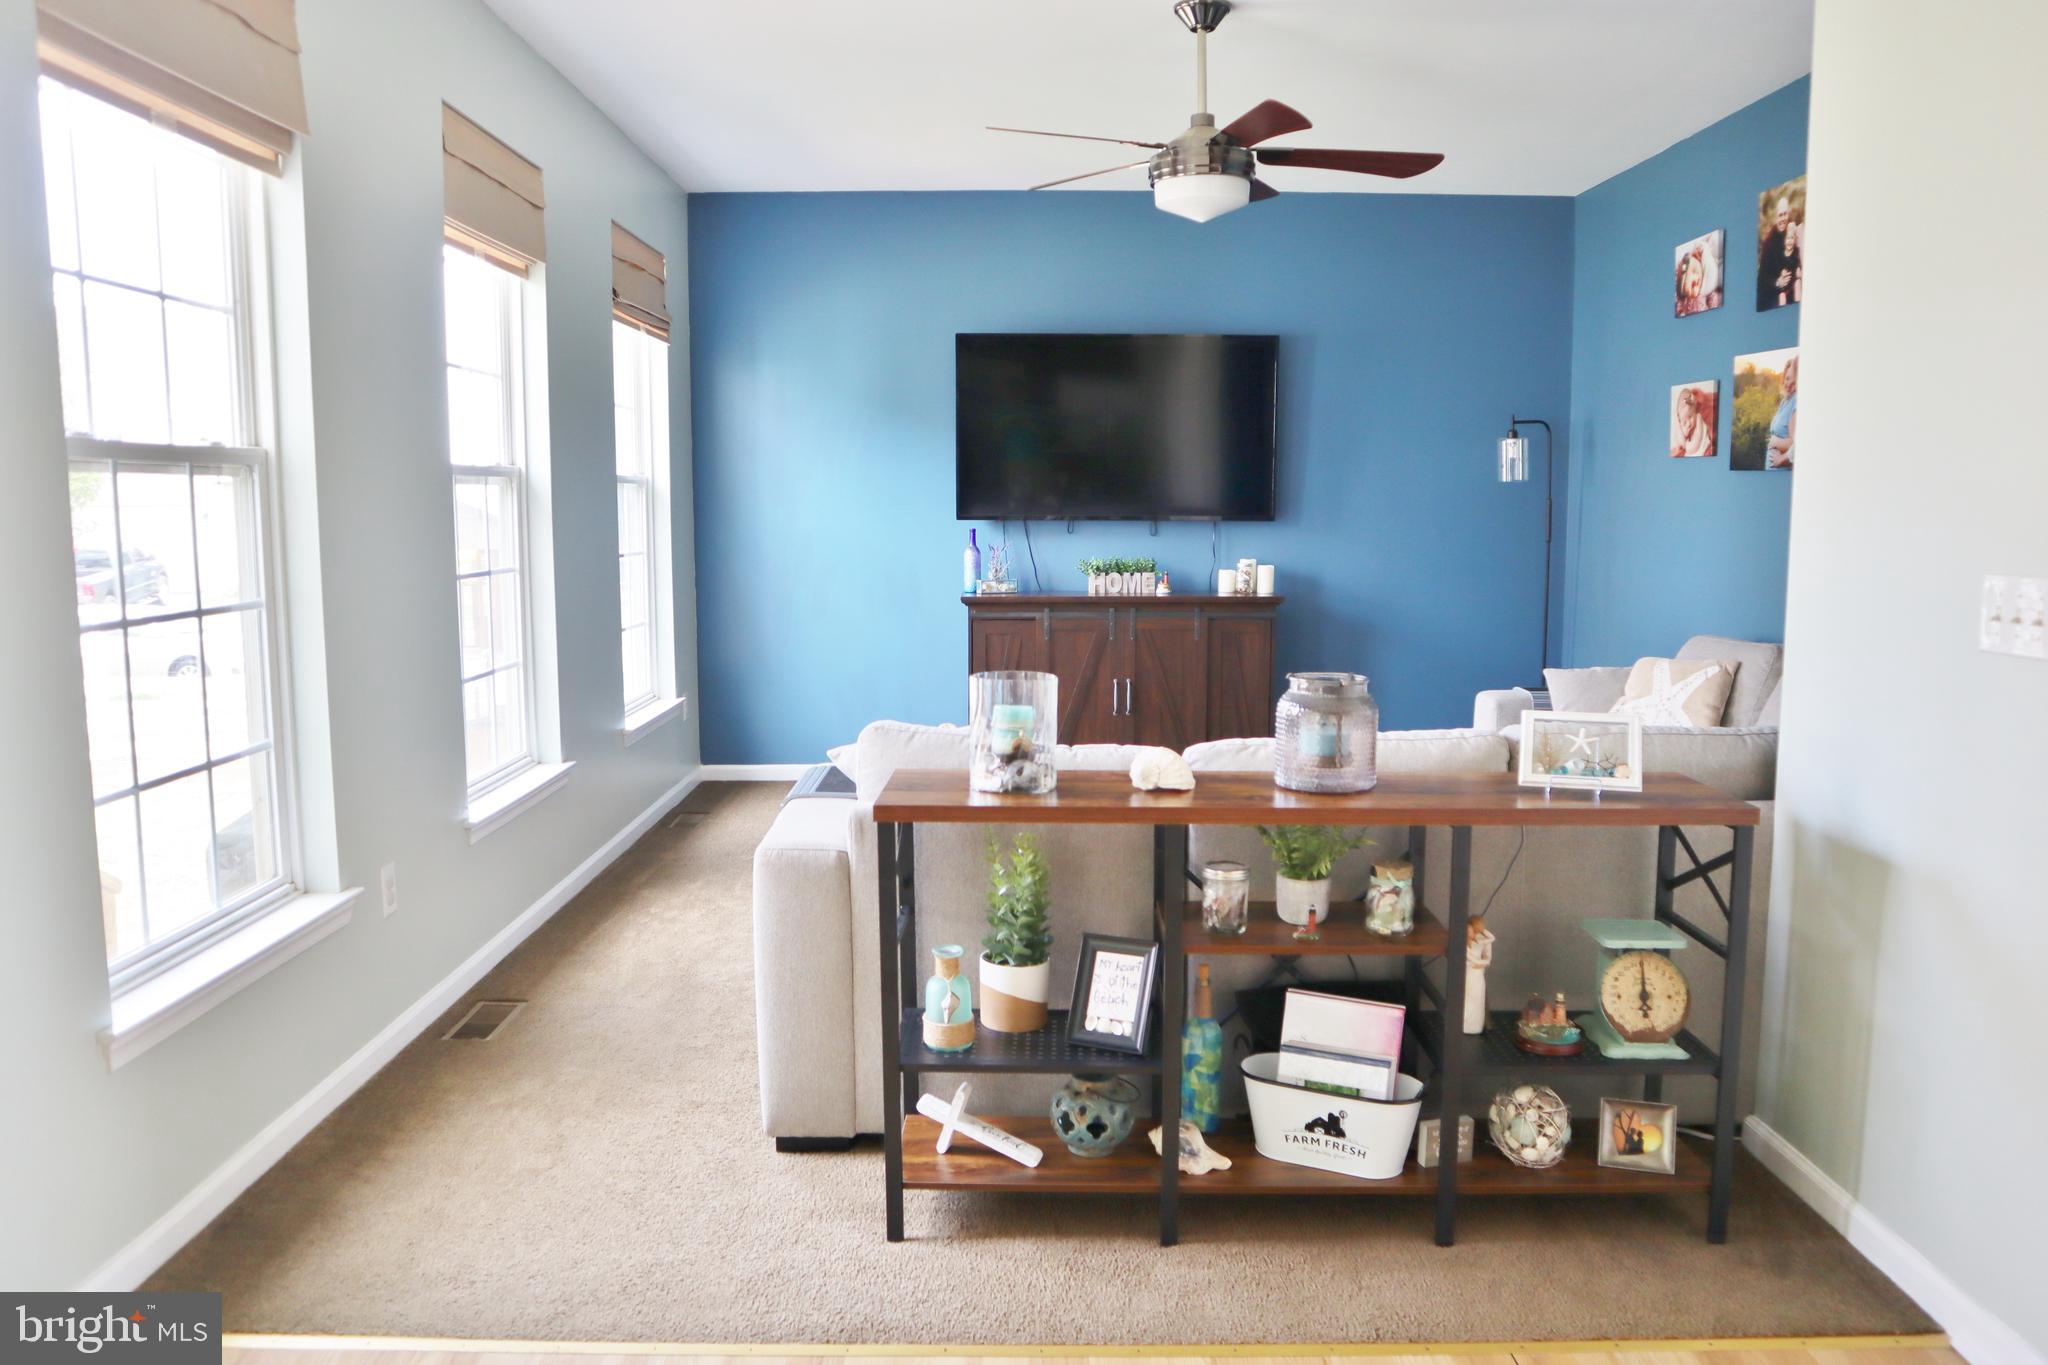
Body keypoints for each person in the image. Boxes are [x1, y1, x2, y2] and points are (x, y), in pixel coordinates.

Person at [1758, 194, 1801, 309]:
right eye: (1780, 215)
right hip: (1774, 293)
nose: (1783, 219)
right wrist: (1777, 282)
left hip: (1791, 287)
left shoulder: (1791, 230)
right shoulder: (1769, 243)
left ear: (1788, 214)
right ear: (1775, 217)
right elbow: (1762, 280)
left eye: (1785, 214)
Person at [1766, 356, 1798, 469]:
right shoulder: (1785, 401)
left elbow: (1794, 443)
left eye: (1793, 382)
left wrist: (1775, 442)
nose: (1788, 384)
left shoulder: (1796, 400)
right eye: (1787, 378)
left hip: (1783, 471)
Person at [1670, 385, 1714, 458]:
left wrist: (1688, 447)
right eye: (1684, 421)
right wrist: (1680, 425)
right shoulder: (1681, 424)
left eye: (1690, 417)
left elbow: (1694, 446)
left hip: (1703, 449)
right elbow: (1681, 444)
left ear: (1695, 412)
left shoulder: (1698, 418)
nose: (1688, 423)